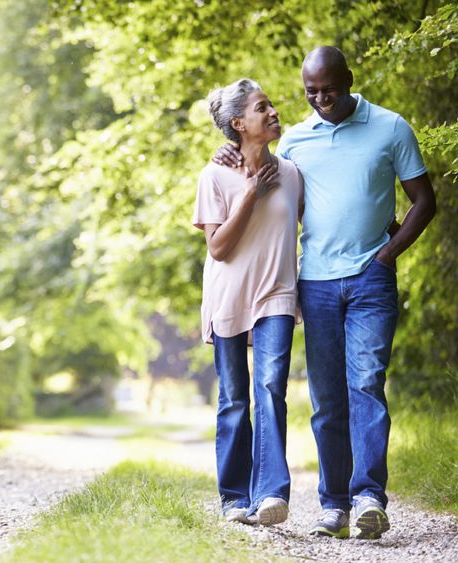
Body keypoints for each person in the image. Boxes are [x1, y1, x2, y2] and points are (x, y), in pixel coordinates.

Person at [214, 46, 437, 539]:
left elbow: (425, 201)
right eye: (311, 92)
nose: (320, 100)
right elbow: (262, 178)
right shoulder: (295, 141)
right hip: (314, 281)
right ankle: (333, 504)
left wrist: (389, 253)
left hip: (370, 278)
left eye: (329, 90)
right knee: (327, 397)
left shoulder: (391, 127)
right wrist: (227, 150)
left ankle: (368, 497)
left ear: (349, 80)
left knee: (367, 383)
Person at [193, 78, 304, 527]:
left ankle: (271, 494)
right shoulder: (214, 175)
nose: (274, 111)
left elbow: (318, 225)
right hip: (229, 299)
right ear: (239, 123)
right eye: (263, 107)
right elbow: (218, 248)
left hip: (277, 293)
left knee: (271, 386)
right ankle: (234, 498)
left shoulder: (293, 173)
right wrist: (250, 192)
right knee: (235, 397)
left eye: (271, 104)